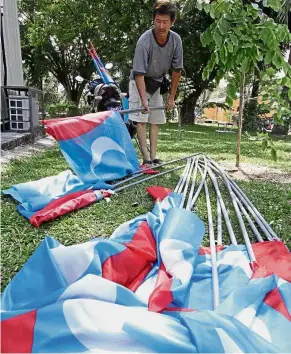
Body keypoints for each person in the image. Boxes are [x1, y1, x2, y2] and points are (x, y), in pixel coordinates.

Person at [128, 0, 183, 166]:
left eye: (165, 22)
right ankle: (146, 158)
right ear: (153, 20)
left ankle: (154, 156)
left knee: (156, 120)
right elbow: (139, 73)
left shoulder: (176, 40)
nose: (161, 26)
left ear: (172, 22)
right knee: (142, 119)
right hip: (140, 82)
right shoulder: (144, 41)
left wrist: (172, 97)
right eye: (158, 21)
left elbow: (176, 71)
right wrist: (144, 99)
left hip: (157, 82)